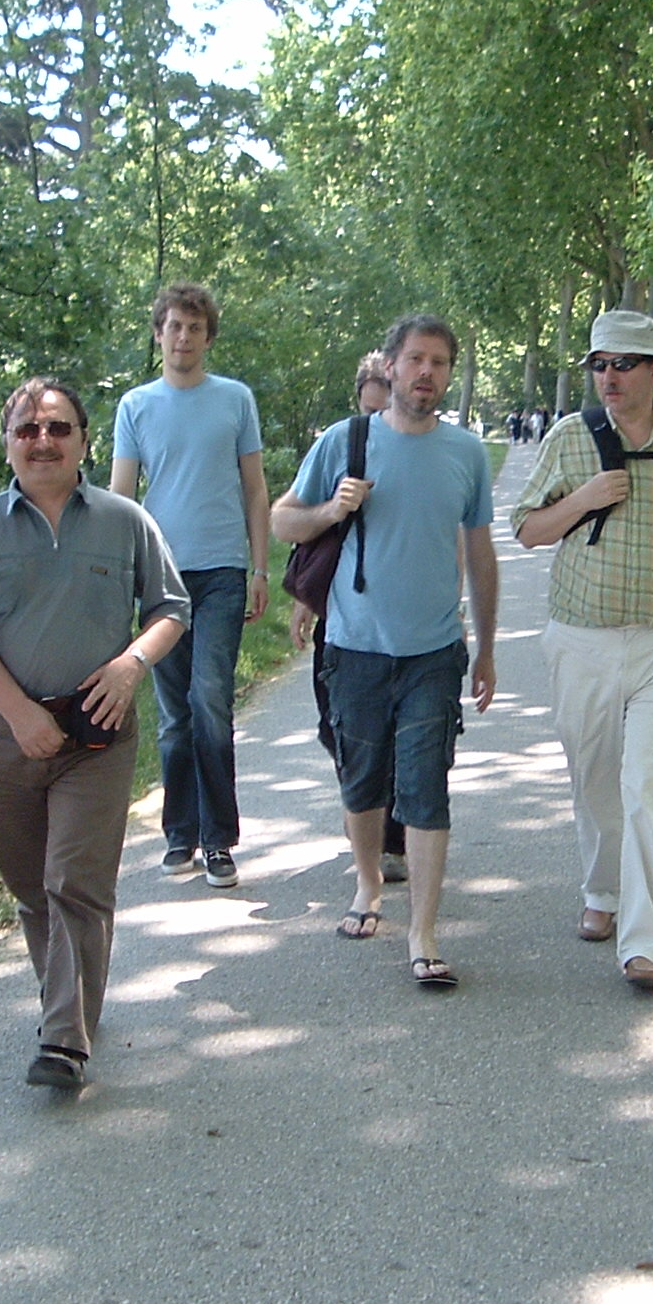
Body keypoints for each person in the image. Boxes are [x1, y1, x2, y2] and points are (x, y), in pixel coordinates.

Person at [0, 378, 190, 1088]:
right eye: (27, 430)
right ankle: (72, 1006)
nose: (42, 441)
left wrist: (133, 665)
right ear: (8, 445)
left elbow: (171, 608)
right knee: (32, 891)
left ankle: (63, 1040)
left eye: (57, 428)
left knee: (73, 882)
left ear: (83, 441)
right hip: (4, 734)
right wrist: (20, 713)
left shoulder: (124, 520)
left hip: (96, 733)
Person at [511, 310, 653, 992]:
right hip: (581, 640)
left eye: (623, 364)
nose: (608, 377)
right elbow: (527, 529)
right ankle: (601, 892)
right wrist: (584, 499)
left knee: (648, 789)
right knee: (594, 781)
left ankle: (643, 944)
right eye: (599, 364)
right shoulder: (571, 437)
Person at [271, 314, 498, 987]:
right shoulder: (345, 441)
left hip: (434, 651)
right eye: (416, 359)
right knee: (362, 780)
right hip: (355, 647)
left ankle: (424, 932)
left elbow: (481, 554)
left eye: (439, 363)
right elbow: (283, 518)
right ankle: (368, 884)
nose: (427, 372)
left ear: (448, 376)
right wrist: (330, 511)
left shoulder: (466, 454)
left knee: (426, 787)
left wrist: (486, 647)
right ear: (392, 367)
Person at [111, 282, 270, 890]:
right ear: (159, 334)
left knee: (210, 699)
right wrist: (115, 580)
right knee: (175, 713)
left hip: (223, 570)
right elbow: (121, 499)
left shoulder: (234, 399)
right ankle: (180, 833)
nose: (184, 337)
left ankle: (218, 838)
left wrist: (260, 569)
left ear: (208, 337)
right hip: (161, 577)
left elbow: (255, 488)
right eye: (174, 326)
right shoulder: (136, 406)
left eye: (195, 328)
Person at [289, 352, 410, 884]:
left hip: (405, 619)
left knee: (401, 730)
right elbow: (301, 526)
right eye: (371, 400)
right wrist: (304, 598)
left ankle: (393, 840)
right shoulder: (343, 444)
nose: (379, 407)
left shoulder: (421, 447)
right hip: (342, 612)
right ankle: (363, 802)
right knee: (336, 725)